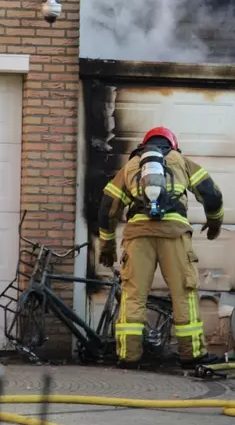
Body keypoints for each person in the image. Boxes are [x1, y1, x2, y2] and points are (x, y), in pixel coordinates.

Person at [94, 126, 225, 369]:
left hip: (138, 236)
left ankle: (129, 356)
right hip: (174, 234)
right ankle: (191, 355)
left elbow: (106, 210)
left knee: (133, 295)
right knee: (183, 293)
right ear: (172, 144)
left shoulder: (130, 167)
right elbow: (212, 195)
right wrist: (215, 223)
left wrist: (108, 247)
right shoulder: (180, 161)